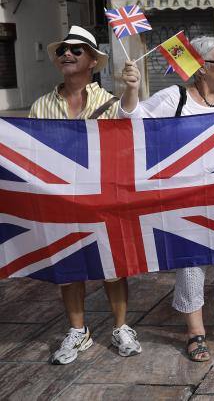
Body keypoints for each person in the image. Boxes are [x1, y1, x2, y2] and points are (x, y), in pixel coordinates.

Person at [119, 36, 214, 362]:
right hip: (186, 194)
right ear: (200, 68)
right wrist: (132, 89)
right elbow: (129, 121)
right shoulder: (174, 97)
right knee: (191, 262)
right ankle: (195, 332)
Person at [30, 25, 141, 365]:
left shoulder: (110, 103)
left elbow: (130, 125)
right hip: (60, 200)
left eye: (76, 50)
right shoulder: (40, 105)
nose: (67, 53)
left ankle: (121, 327)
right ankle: (78, 331)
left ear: (93, 61)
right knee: (69, 266)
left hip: (103, 198)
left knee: (113, 265)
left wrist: (133, 90)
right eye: (63, 49)